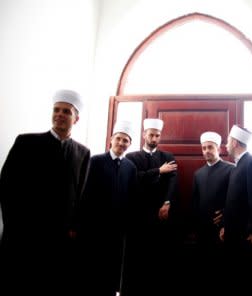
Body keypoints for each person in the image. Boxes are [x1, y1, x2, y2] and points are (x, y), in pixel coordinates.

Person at [0, 89, 90, 295]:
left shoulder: (82, 152)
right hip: (25, 234)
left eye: (66, 111)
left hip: (59, 238)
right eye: (56, 110)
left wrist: (74, 227)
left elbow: (80, 195)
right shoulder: (26, 143)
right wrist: (14, 224)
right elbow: (6, 185)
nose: (59, 114)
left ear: (76, 119)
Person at [80, 120, 137, 296]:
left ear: (130, 144)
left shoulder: (131, 167)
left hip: (119, 230)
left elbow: (132, 199)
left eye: (125, 140)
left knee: (114, 269)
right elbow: (85, 193)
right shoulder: (95, 161)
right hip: (96, 227)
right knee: (94, 268)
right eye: (118, 138)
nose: (121, 143)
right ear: (111, 139)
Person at [125, 118, 178, 289]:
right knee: (138, 257)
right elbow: (134, 178)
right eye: (151, 135)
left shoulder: (167, 156)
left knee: (159, 256)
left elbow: (172, 181)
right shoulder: (131, 157)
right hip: (139, 215)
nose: (154, 138)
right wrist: (158, 171)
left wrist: (167, 202)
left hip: (161, 214)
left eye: (157, 135)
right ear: (144, 135)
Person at [219, 125, 252, 284]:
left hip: (247, 235)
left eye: (228, 141)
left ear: (235, 143)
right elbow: (232, 200)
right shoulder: (236, 166)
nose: (225, 145)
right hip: (233, 233)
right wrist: (225, 225)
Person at [191, 131, 234, 250]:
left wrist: (226, 218)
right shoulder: (198, 174)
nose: (206, 151)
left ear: (219, 149)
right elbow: (195, 203)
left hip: (223, 228)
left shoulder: (231, 169)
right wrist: (194, 228)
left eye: (210, 147)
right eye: (204, 148)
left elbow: (236, 199)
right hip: (202, 230)